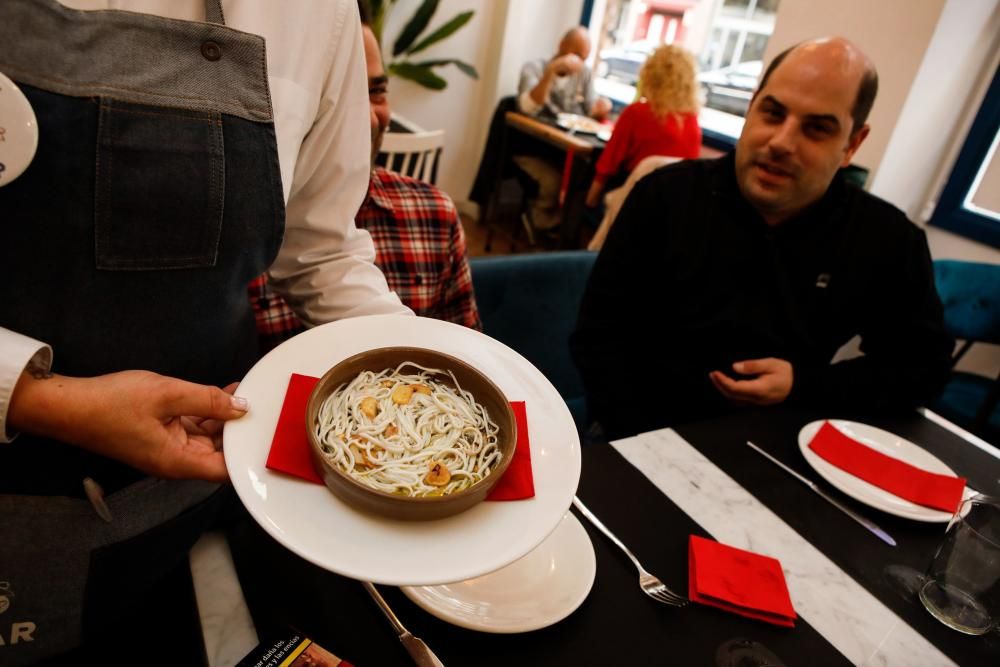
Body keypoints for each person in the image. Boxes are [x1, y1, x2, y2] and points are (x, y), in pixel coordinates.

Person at [0, 0, 408, 662]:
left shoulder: (320, 14)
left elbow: (323, 250)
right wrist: (43, 398)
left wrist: (428, 381)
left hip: (198, 498)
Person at [570, 37, 954, 440]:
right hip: (640, 432)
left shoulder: (887, 239)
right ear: (751, 107)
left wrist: (804, 385)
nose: (781, 143)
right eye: (772, 113)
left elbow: (924, 370)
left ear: (852, 144)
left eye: (817, 128)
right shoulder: (664, 197)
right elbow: (597, 336)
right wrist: (653, 439)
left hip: (786, 446)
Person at [250, 11, 481, 351]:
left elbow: (464, 354)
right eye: (342, 100)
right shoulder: (245, 230)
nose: (369, 119)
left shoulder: (434, 216)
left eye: (376, 91)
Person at [514, 26, 612, 236]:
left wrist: (601, 108)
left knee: (585, 180)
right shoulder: (534, 68)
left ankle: (564, 234)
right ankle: (543, 223)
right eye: (575, 54)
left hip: (565, 150)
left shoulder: (583, 74)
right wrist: (551, 72)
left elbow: (589, 110)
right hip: (533, 146)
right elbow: (527, 107)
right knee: (553, 182)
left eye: (583, 58)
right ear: (561, 45)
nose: (578, 62)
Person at [584, 43, 702, 209]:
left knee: (582, 185)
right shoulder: (692, 123)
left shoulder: (637, 112)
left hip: (633, 202)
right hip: (670, 210)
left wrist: (590, 200)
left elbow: (607, 165)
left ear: (650, 74)